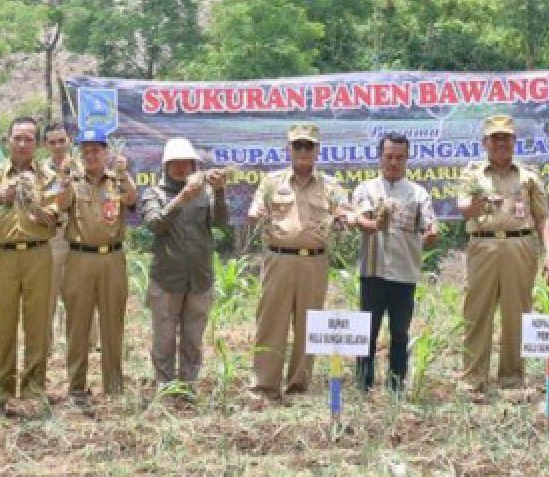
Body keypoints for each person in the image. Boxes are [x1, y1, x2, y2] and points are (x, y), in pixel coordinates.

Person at [247, 123, 350, 401]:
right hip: (278, 259)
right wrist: (257, 215)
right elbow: (255, 211)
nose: (303, 151)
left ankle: (298, 387)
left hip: (314, 263)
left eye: (309, 146)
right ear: (289, 149)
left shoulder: (331, 186)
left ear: (317, 150)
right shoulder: (272, 182)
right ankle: (264, 387)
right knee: (271, 323)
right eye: (298, 145)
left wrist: (343, 217)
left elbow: (345, 213)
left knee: (309, 325)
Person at [456, 114, 549, 392]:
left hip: (520, 246)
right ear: (485, 142)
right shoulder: (473, 175)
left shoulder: (528, 178)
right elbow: (463, 206)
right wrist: (476, 204)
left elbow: (543, 218)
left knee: (517, 313)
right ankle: (473, 377)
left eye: (506, 138)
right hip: (483, 245)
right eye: (495, 138)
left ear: (514, 141)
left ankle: (512, 377)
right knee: (477, 311)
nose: (501, 143)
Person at [0, 117, 60, 412]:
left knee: (37, 323)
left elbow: (55, 215)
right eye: (17, 138)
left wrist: (34, 204)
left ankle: (34, 386)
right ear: (8, 141)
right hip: (3, 256)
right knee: (4, 322)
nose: (23, 144)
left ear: (37, 144)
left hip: (38, 253)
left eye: (29, 139)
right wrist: (2, 195)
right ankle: (3, 386)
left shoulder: (48, 175)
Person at [348, 133, 438, 392]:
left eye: (399, 157)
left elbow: (429, 226)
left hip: (404, 275)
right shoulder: (365, 189)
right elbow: (362, 222)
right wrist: (374, 224)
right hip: (373, 273)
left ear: (407, 159)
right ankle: (363, 386)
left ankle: (396, 387)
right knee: (367, 332)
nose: (394, 163)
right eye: (389, 157)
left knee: (400, 333)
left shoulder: (418, 194)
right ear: (380, 157)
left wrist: (432, 234)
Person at [140, 137, 228, 390]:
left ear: (193, 165)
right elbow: (155, 224)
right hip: (167, 279)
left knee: (193, 338)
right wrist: (181, 198)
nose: (180, 167)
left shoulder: (206, 193)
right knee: (164, 339)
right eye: (174, 163)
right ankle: (165, 388)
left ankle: (188, 387)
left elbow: (221, 224)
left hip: (199, 279)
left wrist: (220, 191)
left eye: (185, 163)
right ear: (166, 166)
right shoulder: (154, 193)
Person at [57, 129, 138, 396]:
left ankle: (113, 386)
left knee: (112, 322)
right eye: (86, 151)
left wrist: (124, 173)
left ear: (106, 152)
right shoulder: (72, 180)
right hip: (80, 257)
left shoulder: (117, 180)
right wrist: (63, 179)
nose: (91, 156)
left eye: (96, 150)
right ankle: (77, 385)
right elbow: (59, 205)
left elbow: (132, 199)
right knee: (77, 323)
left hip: (112, 258)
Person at [42, 122, 76, 354]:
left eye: (61, 141)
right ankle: (45, 348)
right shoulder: (37, 171)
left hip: (77, 237)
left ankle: (84, 346)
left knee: (79, 296)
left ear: (69, 141)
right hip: (51, 237)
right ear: (45, 145)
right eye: (52, 142)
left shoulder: (82, 168)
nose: (57, 146)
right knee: (47, 296)